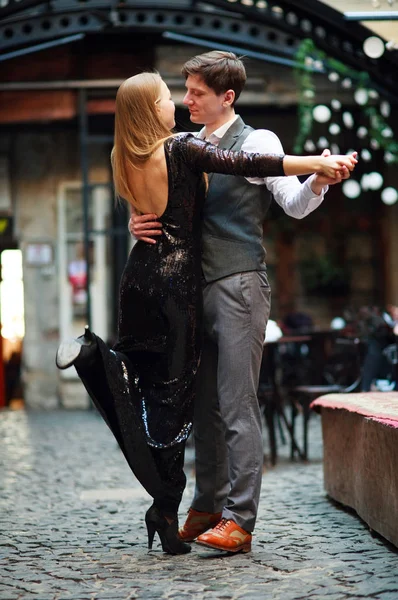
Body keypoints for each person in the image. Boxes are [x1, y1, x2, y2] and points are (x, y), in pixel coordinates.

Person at [56, 71, 356, 556]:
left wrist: (318, 179)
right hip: (188, 293)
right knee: (201, 408)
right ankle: (206, 504)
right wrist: (135, 216)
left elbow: (292, 202)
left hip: (237, 283)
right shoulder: (182, 144)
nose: (185, 100)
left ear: (226, 97)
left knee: (237, 403)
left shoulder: (257, 138)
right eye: (179, 93)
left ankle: (240, 519)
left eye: (196, 92)